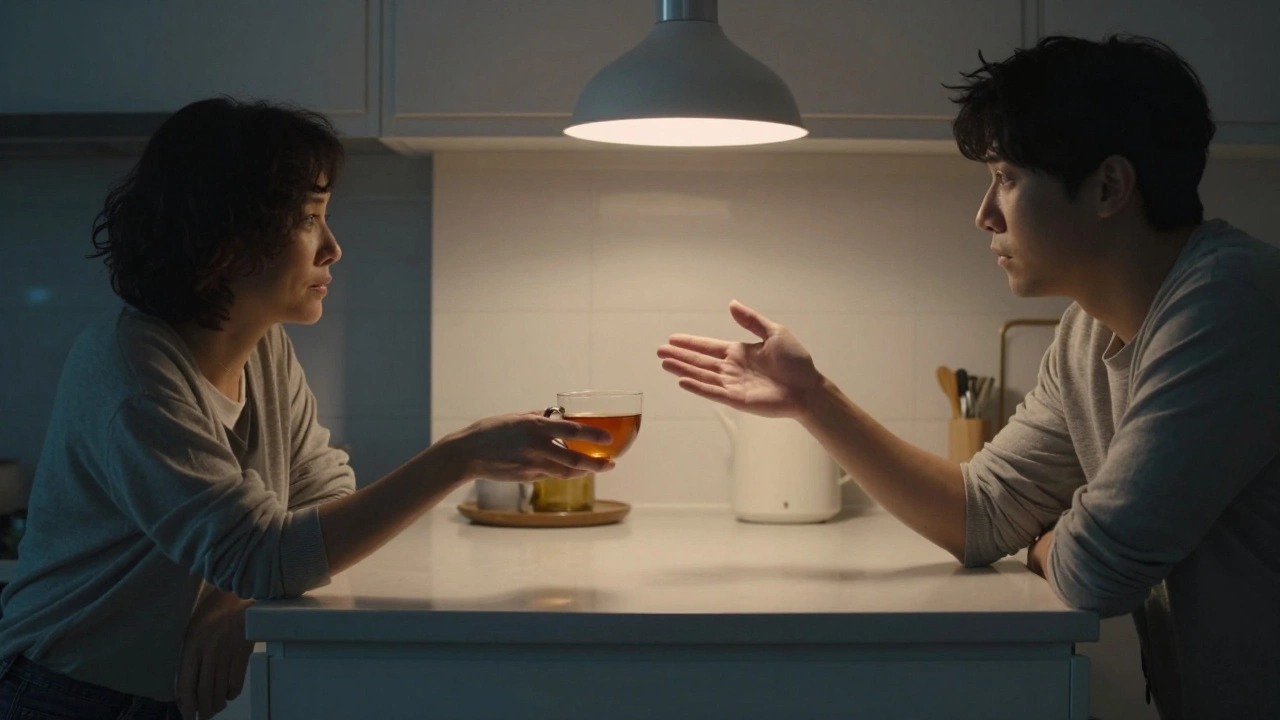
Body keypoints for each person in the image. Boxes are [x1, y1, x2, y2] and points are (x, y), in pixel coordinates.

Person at [658, 35, 1279, 720]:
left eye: (1007, 178)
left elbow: (1101, 571)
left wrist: (1048, 546)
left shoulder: (1231, 303)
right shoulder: (1086, 332)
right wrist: (813, 400)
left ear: (1108, 187)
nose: (984, 213)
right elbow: (983, 514)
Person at [0, 97, 614, 720]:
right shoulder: (135, 372)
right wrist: (459, 457)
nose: (333, 248)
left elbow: (320, 492)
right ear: (227, 235)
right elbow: (263, 554)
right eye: (308, 218)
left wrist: (238, 596)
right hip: (64, 694)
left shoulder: (263, 346)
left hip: (156, 696)